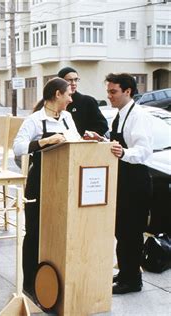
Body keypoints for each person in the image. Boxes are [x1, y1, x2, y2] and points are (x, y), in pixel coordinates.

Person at [13, 77, 79, 296]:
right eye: (68, 94)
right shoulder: (34, 120)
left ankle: (52, 283)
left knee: (58, 232)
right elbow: (18, 147)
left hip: (64, 184)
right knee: (33, 233)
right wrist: (45, 142)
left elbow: (76, 142)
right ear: (57, 95)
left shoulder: (68, 118)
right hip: (39, 183)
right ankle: (30, 283)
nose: (71, 98)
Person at [103, 73, 152, 294]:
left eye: (113, 91)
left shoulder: (138, 115)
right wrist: (101, 140)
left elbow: (143, 151)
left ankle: (133, 281)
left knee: (131, 234)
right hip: (122, 181)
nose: (109, 95)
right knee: (121, 232)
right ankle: (125, 273)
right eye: (108, 91)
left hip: (135, 183)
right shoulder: (119, 114)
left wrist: (122, 152)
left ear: (127, 91)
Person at [57, 67, 108, 136]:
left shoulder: (87, 101)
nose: (73, 83)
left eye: (76, 80)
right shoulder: (54, 103)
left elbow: (102, 126)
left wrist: (85, 137)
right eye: (69, 80)